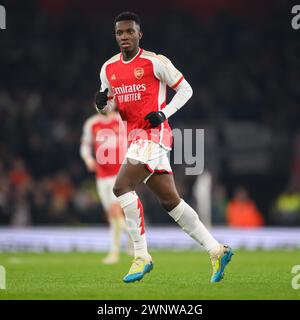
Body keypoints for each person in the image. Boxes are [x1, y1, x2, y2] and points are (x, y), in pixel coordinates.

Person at [95, 11, 233, 283]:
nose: (124, 36)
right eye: (120, 33)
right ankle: (216, 249)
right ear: (116, 36)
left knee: (121, 187)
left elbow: (186, 90)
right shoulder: (108, 68)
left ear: (139, 34)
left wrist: (164, 113)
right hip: (134, 139)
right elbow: (107, 109)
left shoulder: (154, 62)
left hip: (154, 136)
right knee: (171, 201)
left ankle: (141, 255)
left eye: (129, 32)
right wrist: (101, 104)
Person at [80, 109, 132, 264]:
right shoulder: (91, 123)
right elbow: (84, 146)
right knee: (112, 216)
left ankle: (117, 252)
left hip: (119, 174)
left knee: (116, 213)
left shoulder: (120, 120)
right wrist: (88, 159)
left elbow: (131, 141)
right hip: (102, 176)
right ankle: (131, 240)